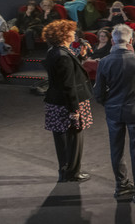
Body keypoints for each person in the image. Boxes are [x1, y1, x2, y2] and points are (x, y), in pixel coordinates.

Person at [94, 24, 135, 201]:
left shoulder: (104, 61)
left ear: (113, 41)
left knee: (116, 150)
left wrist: (109, 102)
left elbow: (98, 93)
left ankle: (121, 186)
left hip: (113, 111)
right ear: (130, 41)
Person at [42, 20, 93, 183]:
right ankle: (73, 172)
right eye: (71, 31)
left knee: (61, 138)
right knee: (75, 138)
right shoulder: (63, 55)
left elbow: (66, 73)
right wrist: (74, 110)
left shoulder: (54, 52)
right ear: (63, 35)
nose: (74, 34)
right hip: (69, 103)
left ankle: (64, 169)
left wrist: (80, 57)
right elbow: (69, 85)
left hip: (56, 102)